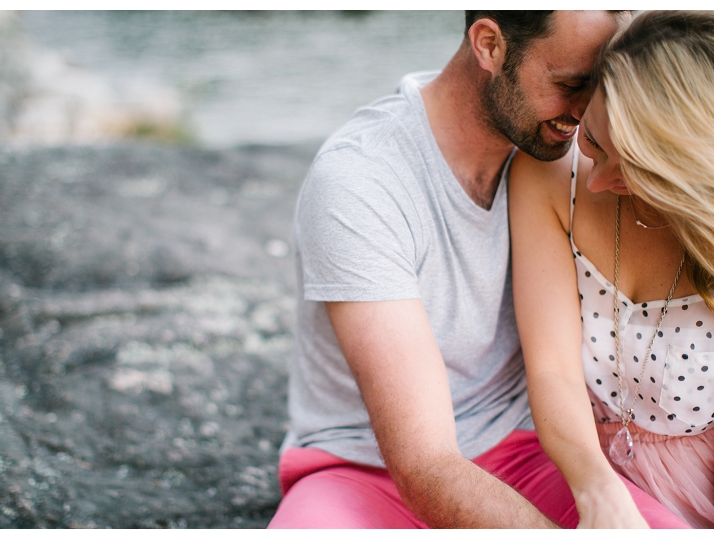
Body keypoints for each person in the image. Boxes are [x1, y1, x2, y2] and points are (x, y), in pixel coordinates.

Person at [268, 11, 689, 529]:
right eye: (570, 84)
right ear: (489, 44)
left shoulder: (569, 158)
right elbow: (424, 463)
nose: (585, 112)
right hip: (363, 471)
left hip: (523, 451)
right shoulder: (361, 181)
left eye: (597, 85)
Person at [509, 10, 714, 529]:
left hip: (711, 488)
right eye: (595, 142)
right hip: (577, 469)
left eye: (637, 169)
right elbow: (553, 371)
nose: (599, 181)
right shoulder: (550, 181)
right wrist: (596, 489)